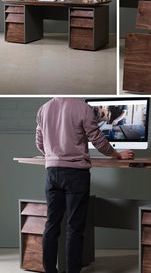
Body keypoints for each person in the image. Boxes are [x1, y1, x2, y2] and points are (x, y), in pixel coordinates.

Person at [35, 97, 134, 273]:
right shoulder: (83, 108)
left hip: (52, 173)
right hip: (76, 175)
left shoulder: (44, 108)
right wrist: (116, 155)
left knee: (52, 224)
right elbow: (97, 140)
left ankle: (50, 270)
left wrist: (53, 155)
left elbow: (40, 142)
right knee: (74, 227)